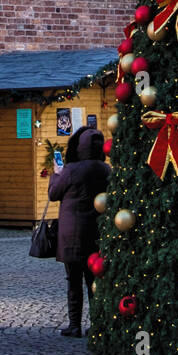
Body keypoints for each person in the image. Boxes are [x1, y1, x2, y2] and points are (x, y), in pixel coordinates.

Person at [47, 126, 110, 337]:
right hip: (96, 233)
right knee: (94, 281)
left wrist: (56, 175)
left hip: (72, 235)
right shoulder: (105, 169)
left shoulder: (71, 170)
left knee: (73, 280)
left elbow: (54, 193)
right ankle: (97, 324)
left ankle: (74, 325)